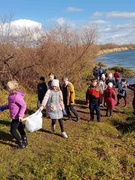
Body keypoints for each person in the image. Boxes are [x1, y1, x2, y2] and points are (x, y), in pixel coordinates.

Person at [0, 80, 27, 149]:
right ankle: (24, 139)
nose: (7, 89)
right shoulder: (11, 95)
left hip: (17, 116)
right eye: (7, 87)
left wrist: (21, 115)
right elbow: (11, 105)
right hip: (15, 116)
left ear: (12, 88)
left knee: (12, 130)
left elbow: (23, 105)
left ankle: (21, 143)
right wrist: (3, 108)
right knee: (20, 127)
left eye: (9, 88)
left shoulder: (16, 96)